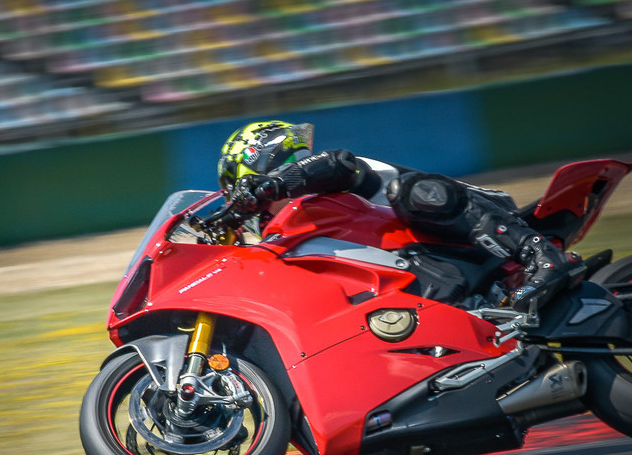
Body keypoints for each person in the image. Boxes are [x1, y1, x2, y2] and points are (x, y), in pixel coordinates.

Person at [216, 120, 576, 312]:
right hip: (422, 270)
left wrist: (276, 184)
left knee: (406, 192)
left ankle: (539, 254)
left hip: (475, 222)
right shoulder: (291, 235)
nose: (298, 162)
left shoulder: (330, 176)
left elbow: (336, 162)